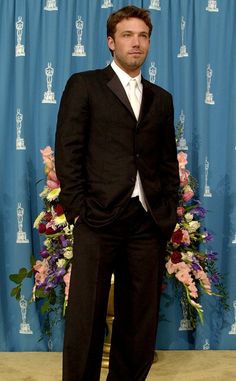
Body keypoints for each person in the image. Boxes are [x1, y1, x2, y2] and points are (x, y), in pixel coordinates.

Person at [55, 5, 179, 381]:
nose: (136, 43)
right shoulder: (85, 84)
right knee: (86, 317)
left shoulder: (161, 98)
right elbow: (69, 149)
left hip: (147, 222)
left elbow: (167, 162)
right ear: (111, 42)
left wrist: (167, 211)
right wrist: (78, 210)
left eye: (142, 35)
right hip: (98, 219)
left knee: (139, 320)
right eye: (127, 35)